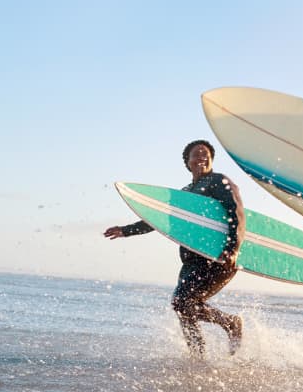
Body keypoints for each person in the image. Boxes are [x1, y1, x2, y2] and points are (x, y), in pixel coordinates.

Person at [104, 139, 245, 358]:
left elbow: (236, 213)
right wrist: (126, 230)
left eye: (206, 154)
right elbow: (159, 220)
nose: (201, 157)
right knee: (184, 309)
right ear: (187, 163)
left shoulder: (220, 181)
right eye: (196, 154)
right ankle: (198, 356)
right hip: (191, 262)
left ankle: (230, 323)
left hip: (218, 258)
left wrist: (233, 248)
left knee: (181, 301)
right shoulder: (185, 193)